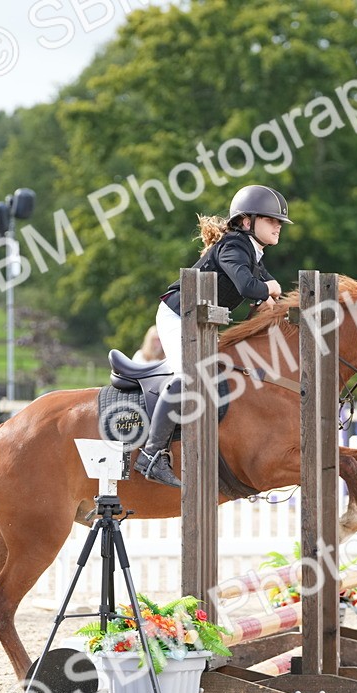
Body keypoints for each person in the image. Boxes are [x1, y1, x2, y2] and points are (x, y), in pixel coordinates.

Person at [136, 184, 288, 487]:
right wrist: (269, 290)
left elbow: (269, 296)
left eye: (279, 222)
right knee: (189, 376)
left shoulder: (253, 254)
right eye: (271, 220)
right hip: (177, 315)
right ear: (247, 222)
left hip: (201, 321)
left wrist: (272, 300)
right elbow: (250, 288)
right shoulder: (234, 245)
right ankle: (151, 455)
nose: (278, 226)